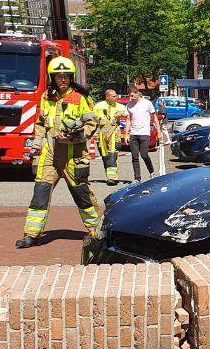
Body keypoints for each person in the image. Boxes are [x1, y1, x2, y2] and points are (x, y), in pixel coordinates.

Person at [15, 56, 99, 248]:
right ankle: (31, 234)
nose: (63, 80)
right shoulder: (47, 97)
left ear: (71, 77)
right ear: (52, 77)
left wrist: (77, 135)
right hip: (50, 153)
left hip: (74, 154)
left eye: (66, 76)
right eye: (59, 76)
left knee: (82, 194)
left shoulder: (80, 98)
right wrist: (36, 145)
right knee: (40, 192)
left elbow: (92, 123)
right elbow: (40, 123)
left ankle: (97, 231)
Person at [92, 89, 130, 185]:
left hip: (114, 134)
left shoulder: (120, 107)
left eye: (116, 95)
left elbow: (128, 116)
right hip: (102, 134)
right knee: (105, 156)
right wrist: (93, 133)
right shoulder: (98, 106)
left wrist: (121, 115)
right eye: (113, 96)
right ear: (107, 97)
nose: (116, 97)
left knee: (112, 154)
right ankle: (108, 176)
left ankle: (112, 178)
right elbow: (93, 121)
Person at [125, 89, 163, 183]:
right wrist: (126, 134)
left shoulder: (147, 103)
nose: (131, 97)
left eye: (132, 95)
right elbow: (128, 120)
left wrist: (159, 131)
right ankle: (137, 178)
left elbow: (155, 117)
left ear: (138, 94)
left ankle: (151, 171)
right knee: (135, 157)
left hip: (145, 134)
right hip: (133, 134)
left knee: (144, 155)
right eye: (129, 95)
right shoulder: (129, 105)